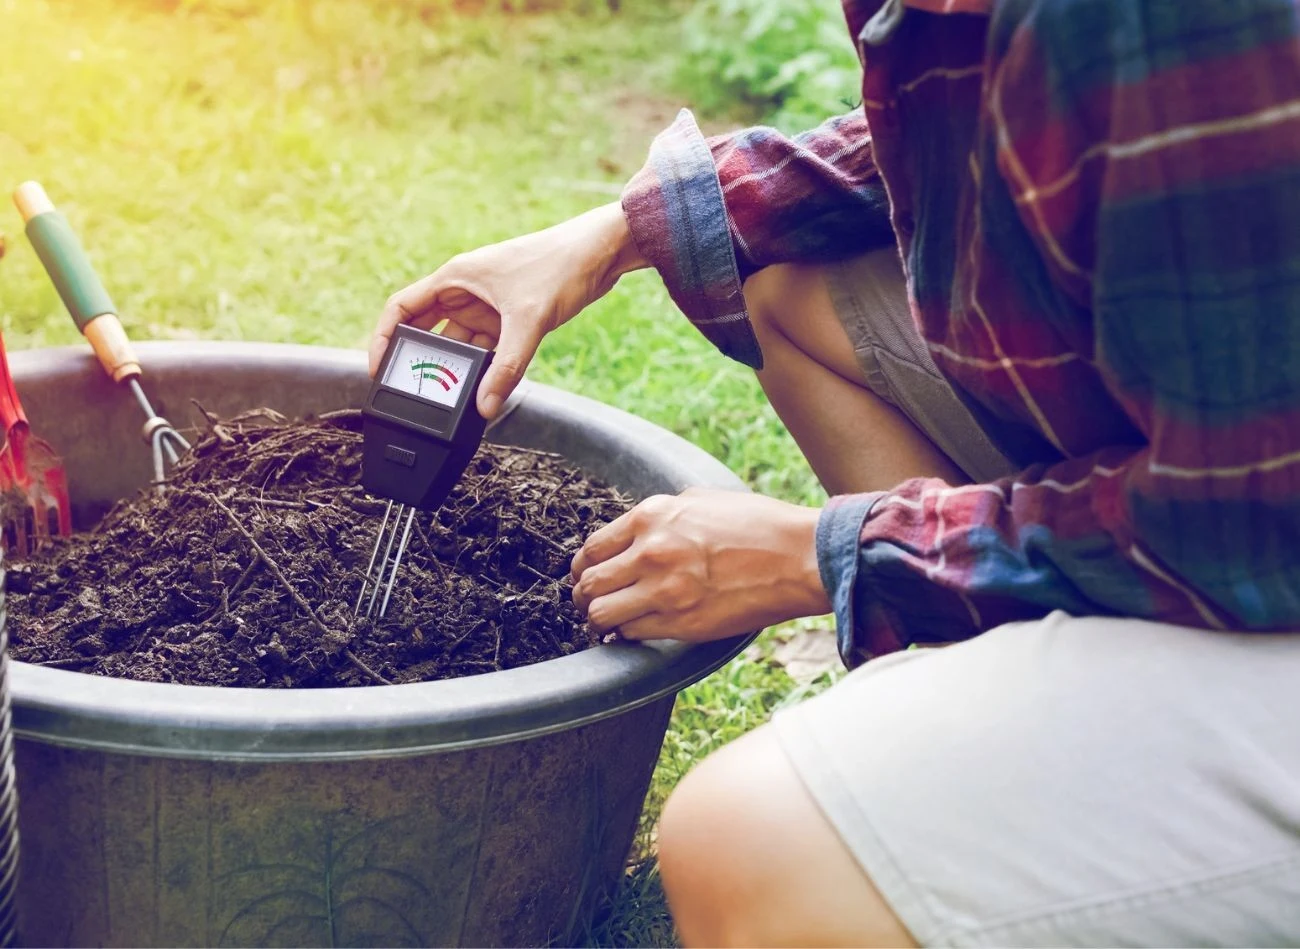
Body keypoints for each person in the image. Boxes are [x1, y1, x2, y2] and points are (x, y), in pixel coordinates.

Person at [370, 0, 1300, 944]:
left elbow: (1248, 528)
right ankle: (975, 727)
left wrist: (825, 555)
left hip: (1262, 557)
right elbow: (947, 134)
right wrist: (613, 236)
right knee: (796, 282)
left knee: (744, 847)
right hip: (1231, 478)